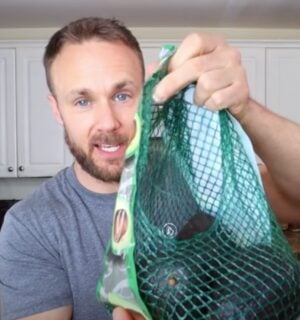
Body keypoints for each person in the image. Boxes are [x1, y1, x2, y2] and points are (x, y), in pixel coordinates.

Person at [0, 16, 299, 320]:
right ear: (57, 109)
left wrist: (245, 108)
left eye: (122, 95)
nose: (108, 122)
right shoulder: (32, 226)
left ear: (144, 94)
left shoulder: (196, 174)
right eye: (82, 101)